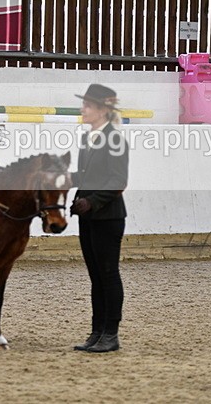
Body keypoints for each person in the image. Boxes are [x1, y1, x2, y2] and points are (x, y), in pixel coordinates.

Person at [70, 84, 129, 353]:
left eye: (88, 106)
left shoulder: (115, 139)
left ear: (103, 110)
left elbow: (118, 181)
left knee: (108, 273)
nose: (83, 110)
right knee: (96, 276)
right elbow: (84, 176)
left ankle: (111, 333)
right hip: (88, 216)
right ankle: (97, 331)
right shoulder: (88, 139)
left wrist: (91, 201)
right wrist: (60, 179)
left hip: (107, 217)